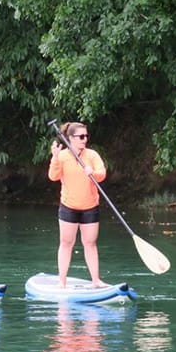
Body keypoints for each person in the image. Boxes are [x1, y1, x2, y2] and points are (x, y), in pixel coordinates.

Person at [48, 122, 108, 288]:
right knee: (66, 243)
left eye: (86, 136)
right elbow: (53, 176)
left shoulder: (92, 155)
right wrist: (54, 157)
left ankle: (96, 280)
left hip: (90, 207)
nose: (84, 139)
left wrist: (92, 172)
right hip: (68, 207)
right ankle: (62, 282)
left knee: (90, 243)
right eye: (81, 136)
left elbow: (101, 174)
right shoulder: (62, 156)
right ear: (70, 138)